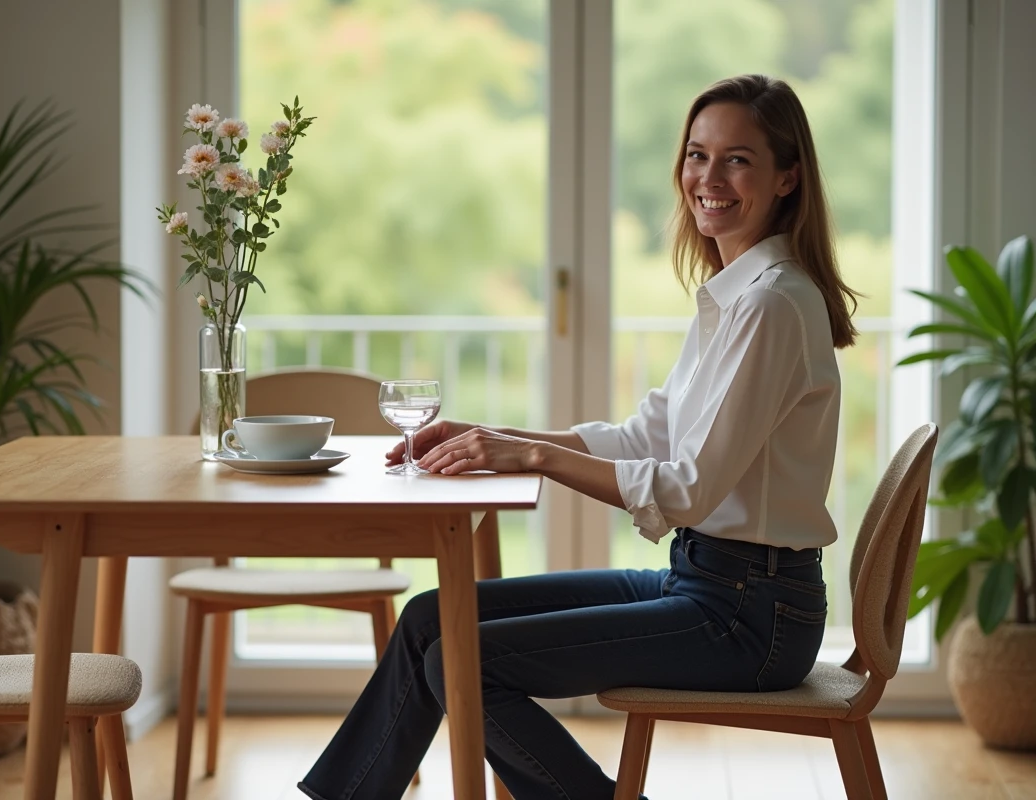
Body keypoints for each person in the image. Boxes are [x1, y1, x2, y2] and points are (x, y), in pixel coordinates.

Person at [298, 73, 861, 800]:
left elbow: (688, 487)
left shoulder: (773, 306)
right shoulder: (736, 297)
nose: (708, 178)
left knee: (462, 659)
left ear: (787, 177)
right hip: (708, 583)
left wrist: (532, 456)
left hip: (749, 617)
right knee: (430, 621)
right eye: (697, 154)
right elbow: (646, 433)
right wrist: (493, 433)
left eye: (737, 160)